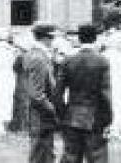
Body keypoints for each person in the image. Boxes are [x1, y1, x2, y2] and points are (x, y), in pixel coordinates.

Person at [54, 23, 112, 163]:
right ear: (95, 39)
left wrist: (62, 114)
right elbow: (105, 94)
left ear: (79, 39)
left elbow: (58, 93)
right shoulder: (102, 61)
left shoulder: (68, 61)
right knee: (97, 157)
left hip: (71, 115)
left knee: (70, 156)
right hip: (95, 117)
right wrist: (108, 118)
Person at [25, 22, 58, 163]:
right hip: (41, 114)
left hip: (41, 113)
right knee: (39, 153)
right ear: (46, 38)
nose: (53, 41)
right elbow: (36, 94)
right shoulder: (38, 58)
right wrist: (53, 109)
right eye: (52, 38)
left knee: (46, 153)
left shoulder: (37, 54)